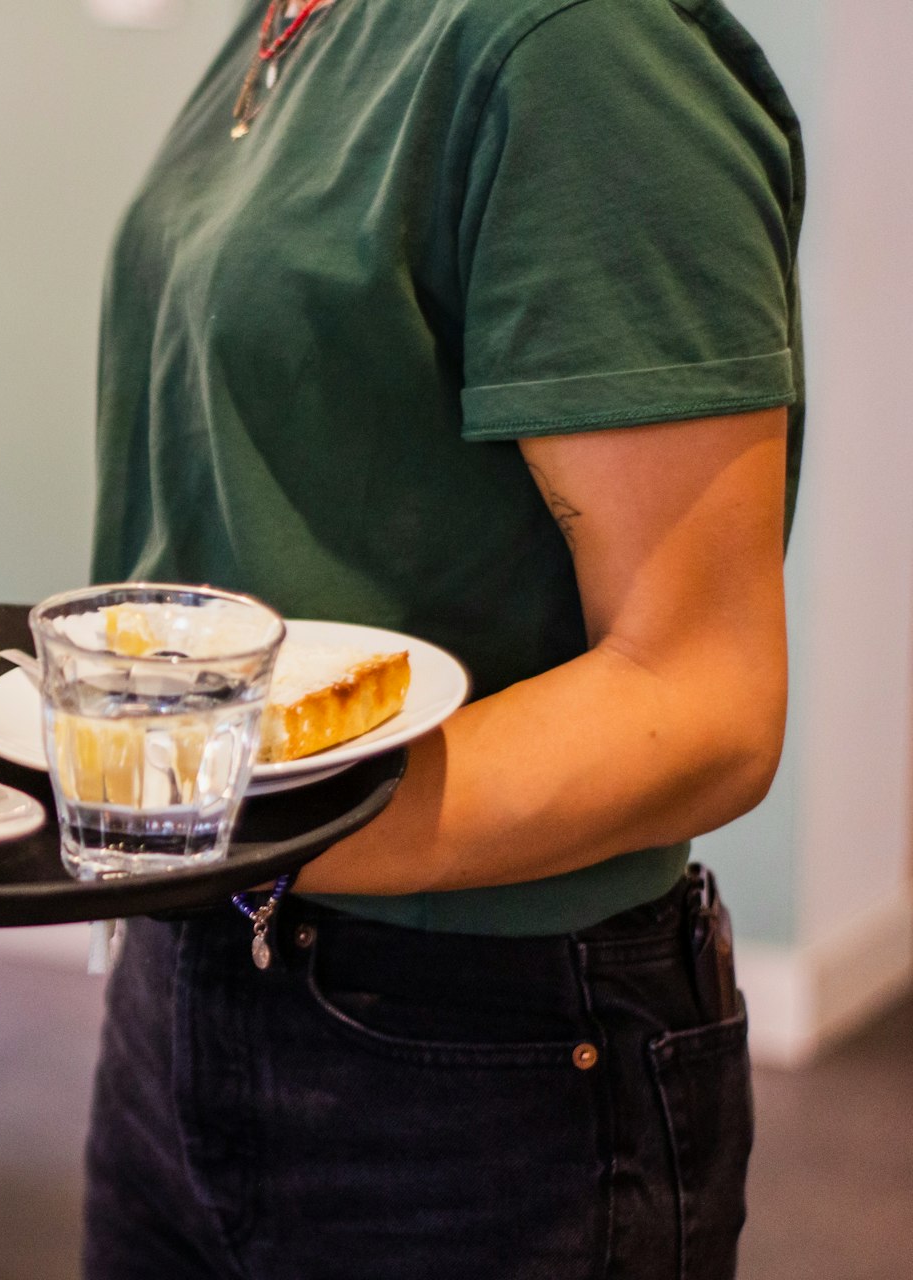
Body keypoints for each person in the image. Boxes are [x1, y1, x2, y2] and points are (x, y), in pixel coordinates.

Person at [83, 0, 800, 1276]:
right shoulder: (303, 20)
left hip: (475, 1058)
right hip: (190, 975)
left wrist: (161, 819)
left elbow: (703, 700)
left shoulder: (581, 48)